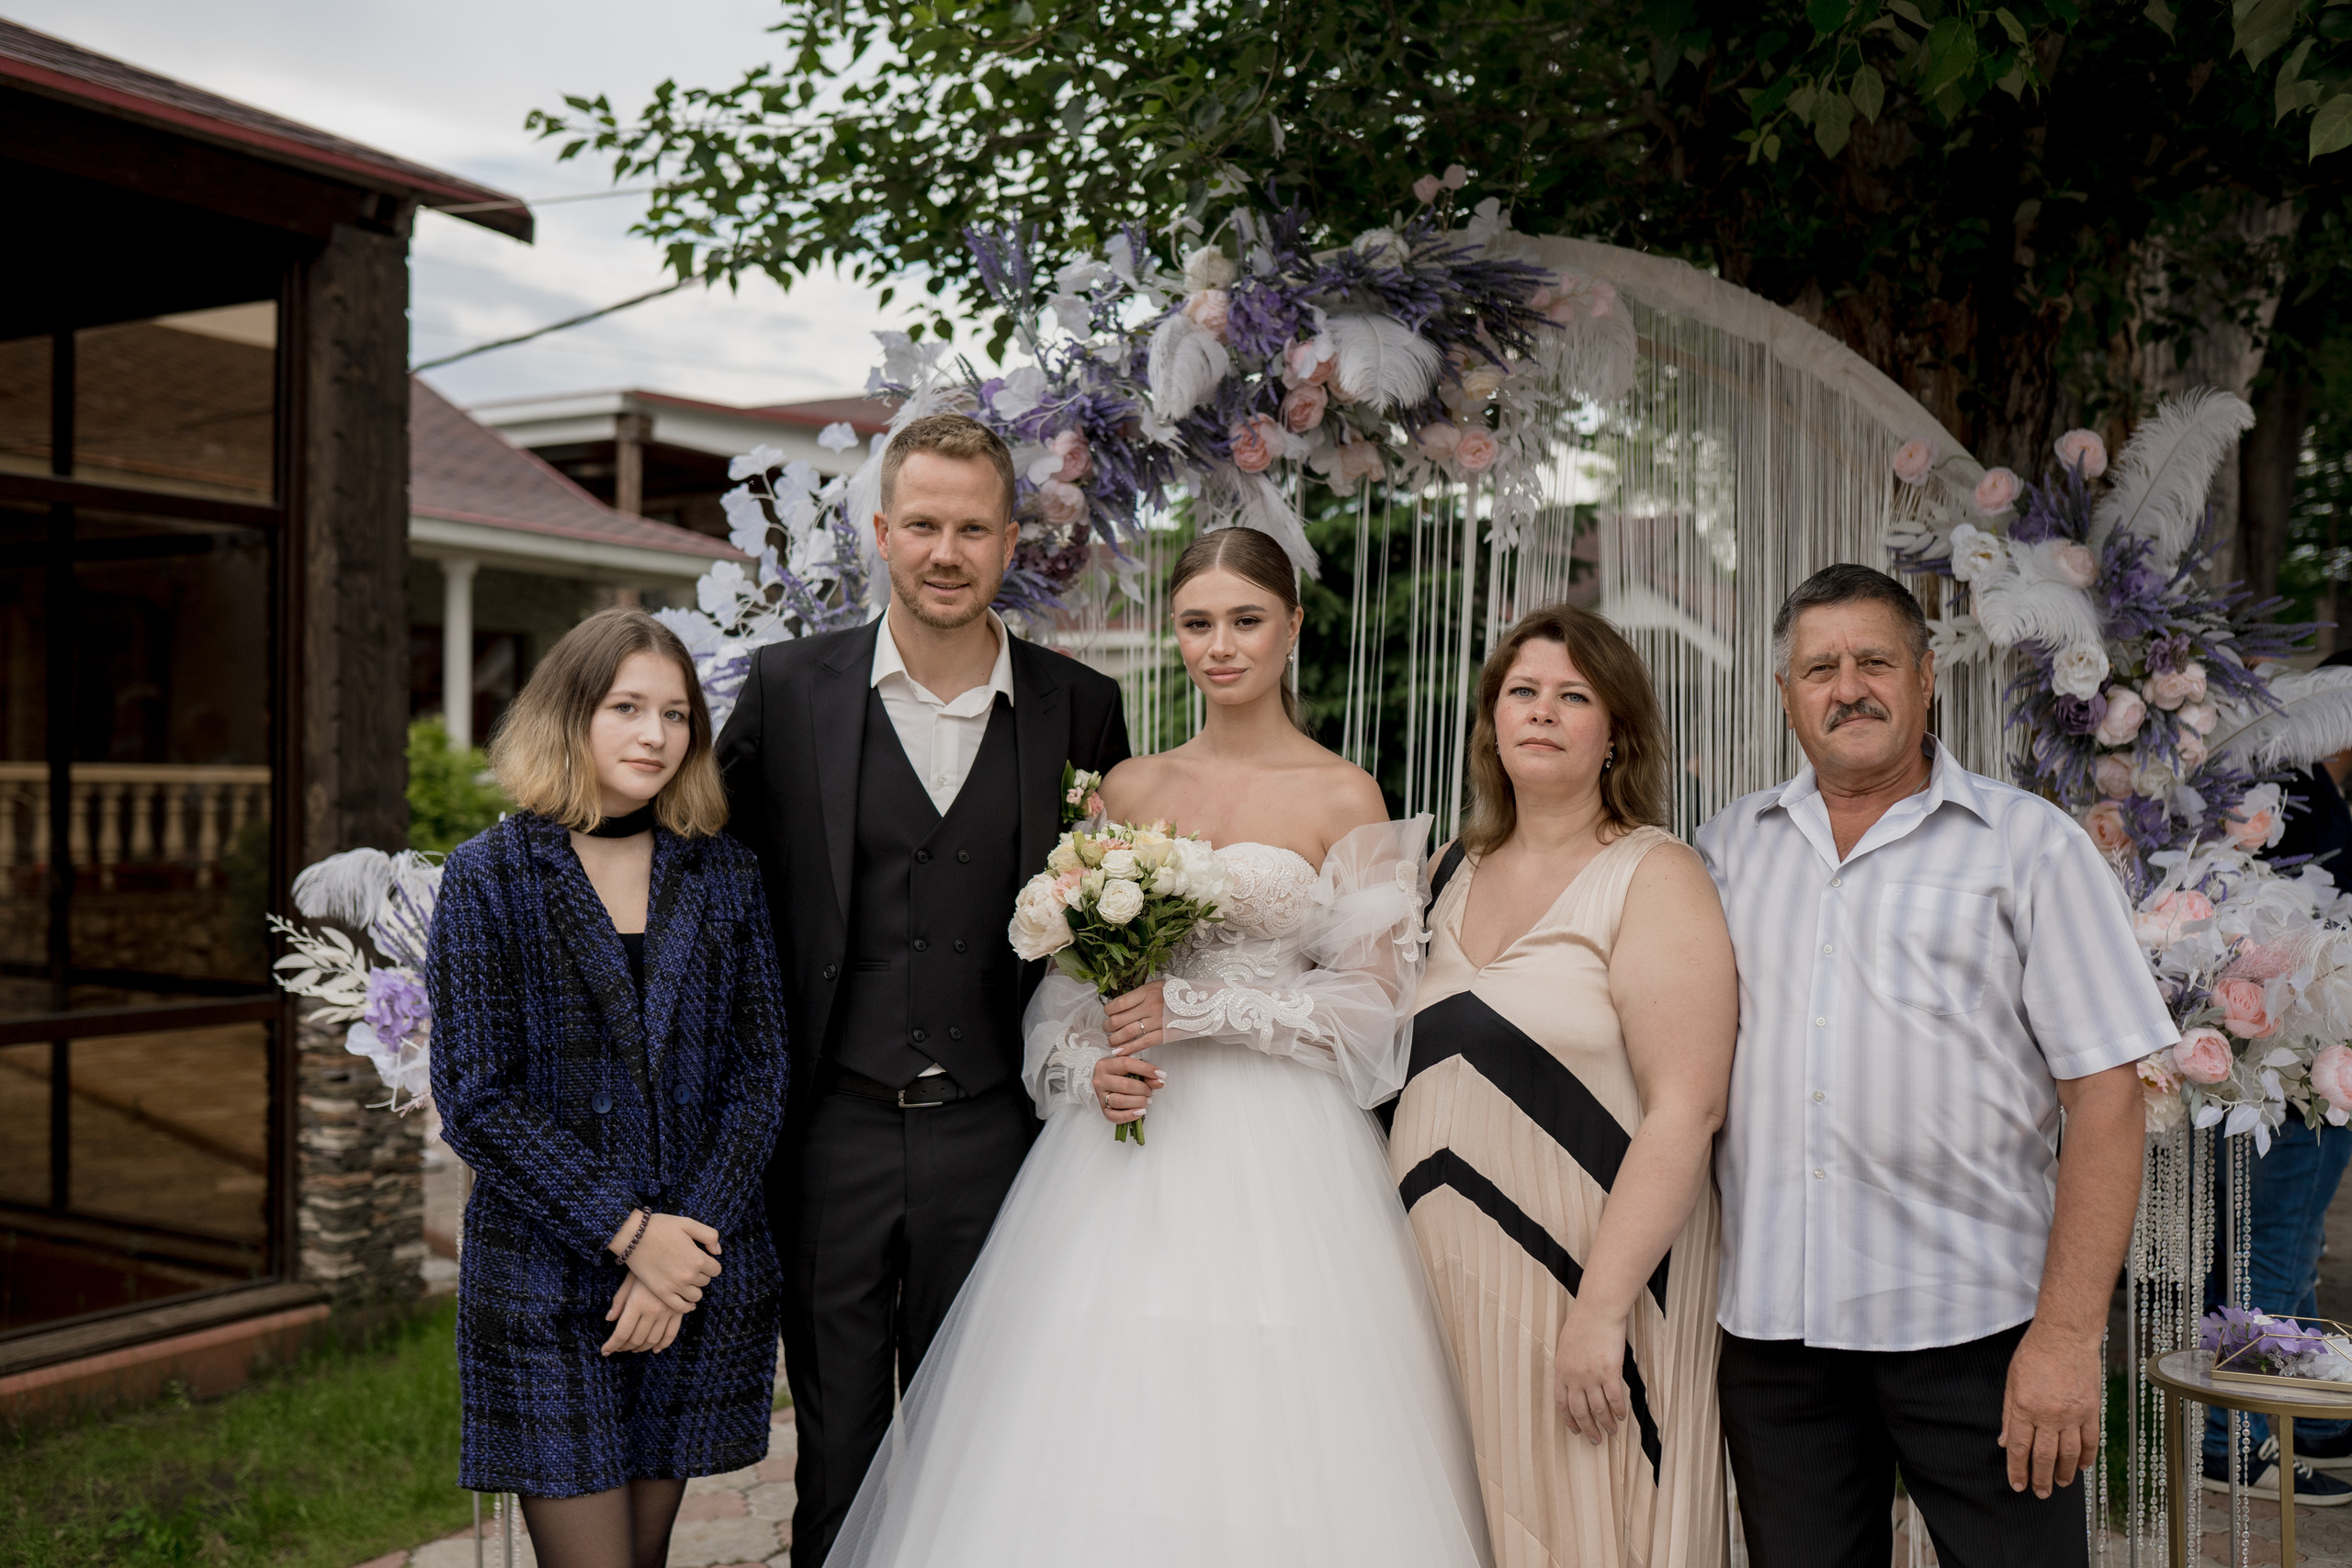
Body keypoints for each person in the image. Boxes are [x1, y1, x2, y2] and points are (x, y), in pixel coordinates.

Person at [822, 524, 1490, 1567]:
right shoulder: (1125, 789)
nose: (1220, 646)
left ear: (1292, 630)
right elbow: (1060, 996)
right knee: (1103, 1396)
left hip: (1285, 1154)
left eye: (1245, 621)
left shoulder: (1342, 794)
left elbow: (1371, 1018)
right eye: (1196, 623)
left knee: (1273, 1400)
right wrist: (1088, 1065)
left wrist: (1203, 1015)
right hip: (1121, 1141)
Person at [1695, 563, 2174, 1568]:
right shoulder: (1728, 849)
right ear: (1785, 694)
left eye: (1874, 660)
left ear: (1924, 680)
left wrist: (2066, 1338)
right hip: (1779, 1340)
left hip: (1979, 1334)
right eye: (1818, 667)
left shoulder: (2026, 845)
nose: (1846, 686)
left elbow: (2105, 1099)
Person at [714, 412, 1130, 1566]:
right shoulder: (790, 690)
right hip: (832, 1131)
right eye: (924, 527)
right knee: (836, 1459)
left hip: (1002, 1134)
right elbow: (713, 885)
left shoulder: (1078, 709)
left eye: (973, 529)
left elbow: (1105, 914)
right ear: (883, 535)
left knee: (986, 1449)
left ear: (1011, 544)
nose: (946, 552)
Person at [427, 609, 791, 1568]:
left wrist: (682, 1255)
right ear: (570, 716)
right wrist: (633, 1236)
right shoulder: (488, 877)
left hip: (691, 1276)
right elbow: (476, 1096)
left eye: (675, 714)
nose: (654, 735)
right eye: (627, 707)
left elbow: (760, 1077)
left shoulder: (724, 875)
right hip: (546, 1275)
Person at [1392, 604, 1738, 1568]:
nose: (1541, 713)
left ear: (1613, 732)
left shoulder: (1654, 874)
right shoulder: (1442, 873)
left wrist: (1599, 1313)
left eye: (1572, 696)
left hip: (1589, 1282)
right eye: (1522, 693)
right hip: (1439, 1281)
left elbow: (1687, 1110)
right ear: (1491, 722)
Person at [2200, 642, 2352, 1499]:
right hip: (2287, 1053)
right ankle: (2236, 1434)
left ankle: (2294, 1407)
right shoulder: (2287, 783)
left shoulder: (2306, 783)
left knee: (2288, 1246)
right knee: (2270, 1247)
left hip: (2309, 1056)